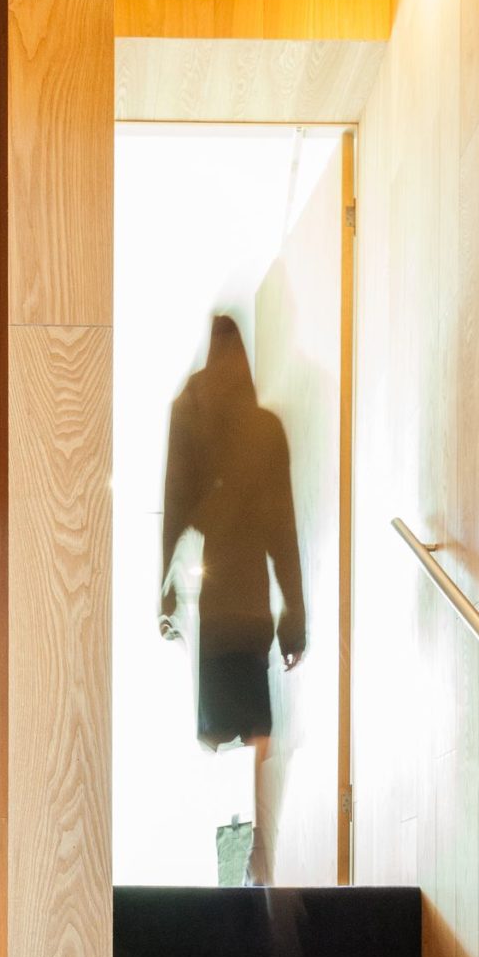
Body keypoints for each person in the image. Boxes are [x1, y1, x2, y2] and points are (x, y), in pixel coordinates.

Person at [159, 313, 305, 885]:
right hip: (251, 609)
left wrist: (164, 590)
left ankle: (232, 855)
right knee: (256, 730)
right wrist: (295, 616)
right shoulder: (264, 429)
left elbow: (174, 507)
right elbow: (284, 532)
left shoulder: (190, 417)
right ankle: (256, 853)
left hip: (216, 608)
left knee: (216, 735)